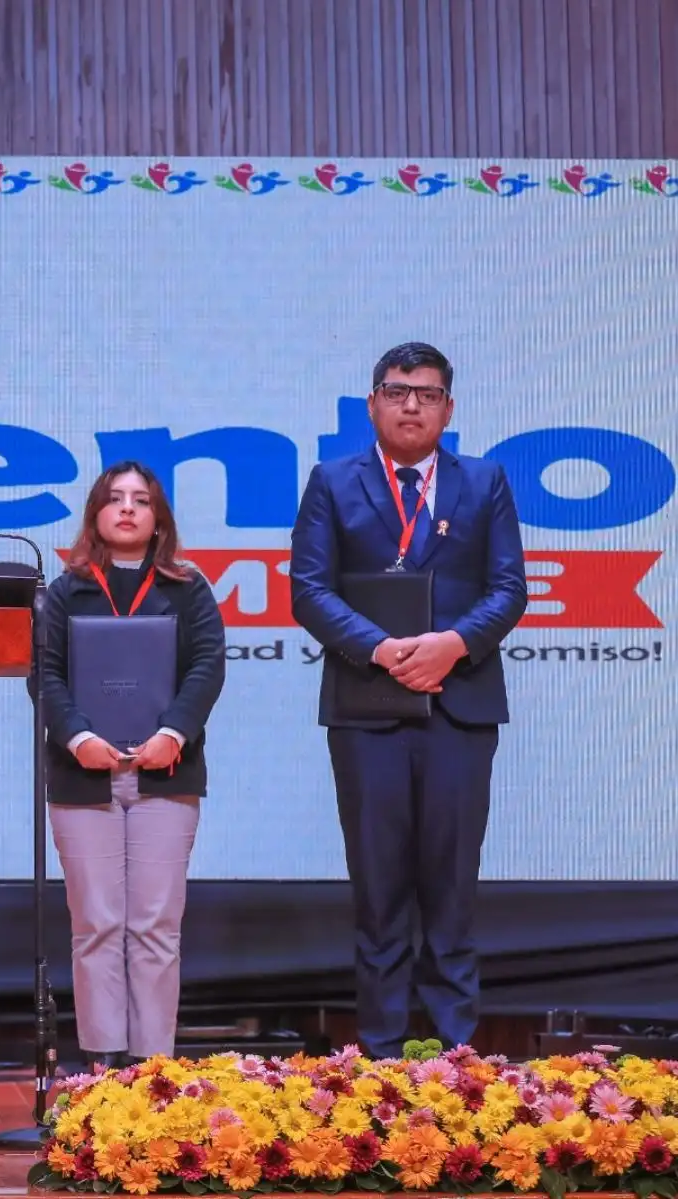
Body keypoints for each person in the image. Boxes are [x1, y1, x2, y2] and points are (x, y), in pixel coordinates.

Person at [290, 342, 528, 1059]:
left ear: (448, 408)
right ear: (373, 403)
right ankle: (384, 1054)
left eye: (426, 393)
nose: (412, 405)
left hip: (461, 709)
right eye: (397, 391)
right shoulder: (333, 481)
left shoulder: (484, 482)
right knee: (381, 890)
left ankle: (457, 1056)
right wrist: (382, 647)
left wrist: (450, 644)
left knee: (451, 891)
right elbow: (309, 588)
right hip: (368, 708)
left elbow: (509, 588)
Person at [37, 463, 226, 1069]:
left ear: (158, 518)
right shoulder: (64, 591)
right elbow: (44, 675)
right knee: (96, 926)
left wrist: (173, 733)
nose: (126, 509)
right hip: (81, 778)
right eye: (114, 499)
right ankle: (101, 1068)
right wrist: (77, 737)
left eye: (140, 500)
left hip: (165, 773)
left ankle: (154, 1073)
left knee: (154, 928)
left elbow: (207, 667)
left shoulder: (188, 587)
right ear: (95, 513)